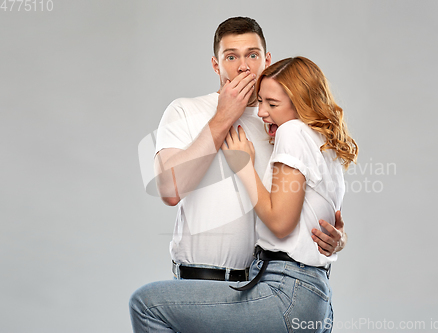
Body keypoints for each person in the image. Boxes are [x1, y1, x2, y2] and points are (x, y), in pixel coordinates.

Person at [129, 56, 358, 333]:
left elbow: (281, 224)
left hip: (286, 292)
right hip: (316, 299)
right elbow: (321, 220)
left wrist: (244, 166)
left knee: (146, 304)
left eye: (272, 104)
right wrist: (340, 240)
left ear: (300, 102)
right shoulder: (325, 143)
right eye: (260, 101)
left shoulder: (292, 132)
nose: (261, 112)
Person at [150, 16, 345, 282]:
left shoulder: (282, 124)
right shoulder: (183, 110)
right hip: (200, 280)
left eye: (252, 55)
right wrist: (224, 116)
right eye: (231, 57)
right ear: (215, 65)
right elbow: (169, 191)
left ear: (267, 61)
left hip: (266, 284)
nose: (243, 67)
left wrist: (336, 239)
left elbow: (307, 202)